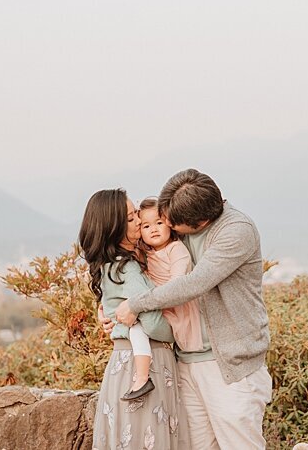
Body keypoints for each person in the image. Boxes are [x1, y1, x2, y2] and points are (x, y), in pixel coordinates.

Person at [113, 169, 272, 450]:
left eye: (173, 223)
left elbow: (195, 283)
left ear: (200, 222)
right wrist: (116, 314)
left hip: (229, 368)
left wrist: (136, 305)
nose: (167, 227)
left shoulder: (236, 231)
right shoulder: (181, 218)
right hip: (185, 362)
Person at [79, 188, 190, 450]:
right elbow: (151, 323)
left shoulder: (115, 265)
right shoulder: (126, 267)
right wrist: (177, 334)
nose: (139, 221)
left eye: (136, 214)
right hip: (147, 364)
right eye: (130, 219)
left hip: (124, 361)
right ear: (114, 228)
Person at [122, 197, 204, 400]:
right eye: (147, 225)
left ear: (169, 223)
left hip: (176, 311)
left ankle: (142, 378)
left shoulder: (176, 250)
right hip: (158, 309)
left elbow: (177, 286)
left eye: (159, 223)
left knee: (137, 327)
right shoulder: (143, 254)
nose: (154, 229)